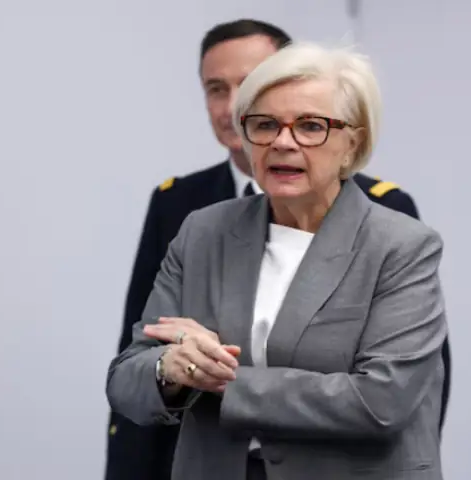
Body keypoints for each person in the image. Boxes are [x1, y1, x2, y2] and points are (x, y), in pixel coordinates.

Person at [105, 19, 451, 480]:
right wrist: (170, 367)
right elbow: (128, 377)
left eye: (310, 126)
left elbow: (381, 402)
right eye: (264, 124)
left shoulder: (401, 245)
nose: (283, 142)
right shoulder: (201, 231)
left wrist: (219, 381)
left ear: (353, 142)